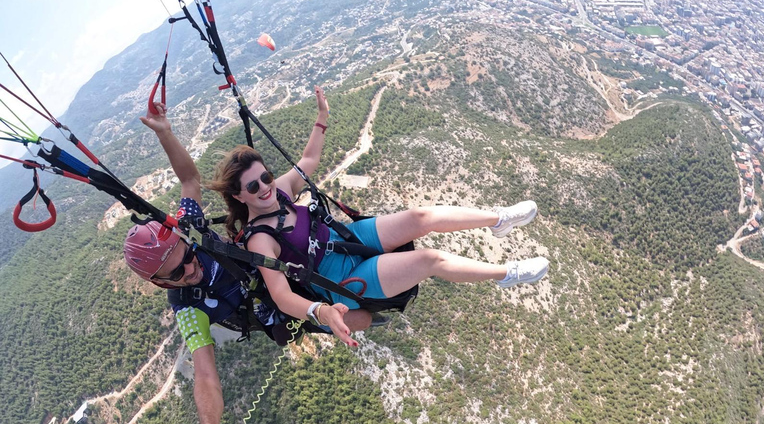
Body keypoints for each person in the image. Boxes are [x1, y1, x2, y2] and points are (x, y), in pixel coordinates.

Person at [209, 85, 550, 351]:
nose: (265, 187)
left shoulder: (280, 189)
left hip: (348, 238)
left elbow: (309, 160)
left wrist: (322, 116)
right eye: (253, 186)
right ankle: (508, 273)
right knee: (429, 259)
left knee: (421, 216)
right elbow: (282, 296)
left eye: (265, 177)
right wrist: (320, 312)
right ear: (239, 196)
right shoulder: (260, 239)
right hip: (343, 279)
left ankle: (499, 220)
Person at [123, 100, 371, 424]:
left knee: (365, 301)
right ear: (159, 282)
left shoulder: (190, 230)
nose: (190, 269)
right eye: (176, 274)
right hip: (279, 309)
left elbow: (189, 180)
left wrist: (165, 133)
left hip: (280, 267)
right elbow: (205, 373)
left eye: (188, 256)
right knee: (362, 318)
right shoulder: (187, 309)